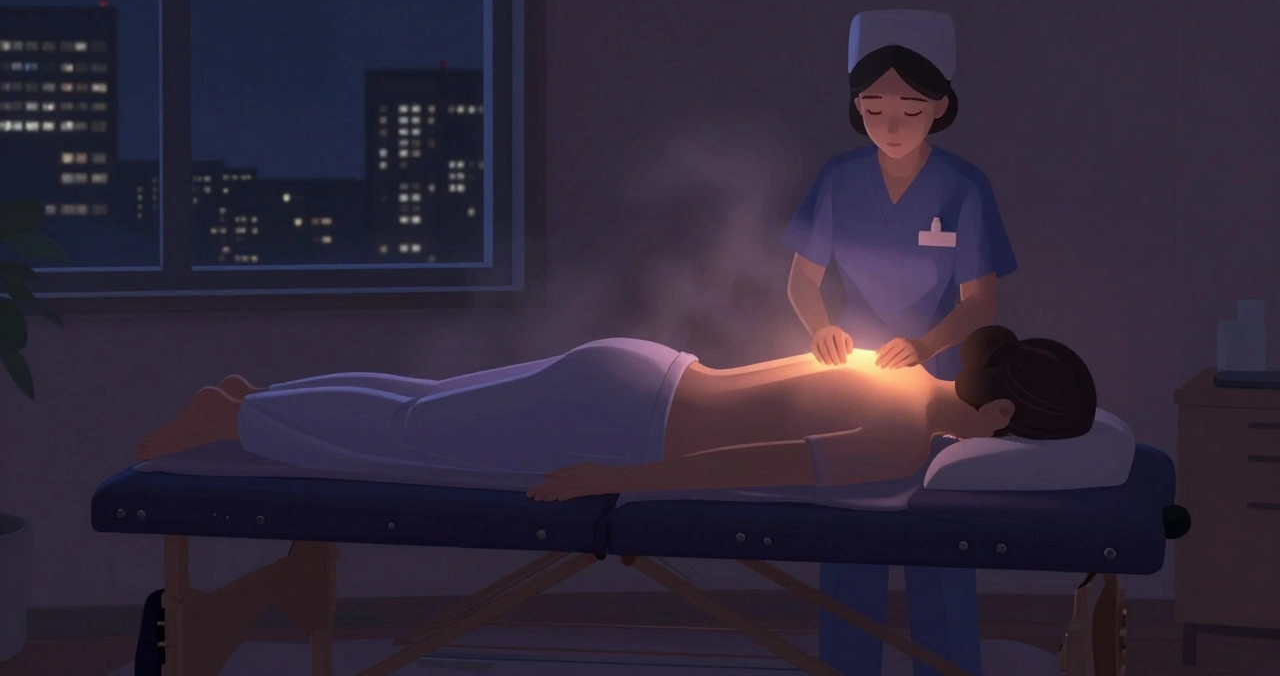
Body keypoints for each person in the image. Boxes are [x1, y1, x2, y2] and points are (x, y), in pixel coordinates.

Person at [136, 327, 1096, 504]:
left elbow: (761, 383)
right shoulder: (897, 436)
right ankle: (237, 421)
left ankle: (245, 403)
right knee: (415, 442)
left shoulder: (892, 362)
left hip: (643, 366)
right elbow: (746, 465)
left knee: (428, 407)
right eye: (1009, 436)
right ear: (1000, 408)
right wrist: (619, 479)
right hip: (621, 425)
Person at [783, 11, 1017, 676]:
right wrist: (820, 326)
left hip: (939, 384)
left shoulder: (963, 188)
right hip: (852, 379)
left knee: (936, 535)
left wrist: (922, 343)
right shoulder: (838, 179)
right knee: (850, 534)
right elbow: (802, 281)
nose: (890, 123)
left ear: (940, 106)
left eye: (910, 109)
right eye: (873, 107)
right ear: (855, 107)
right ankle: (846, 665)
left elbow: (981, 303)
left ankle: (945, 665)